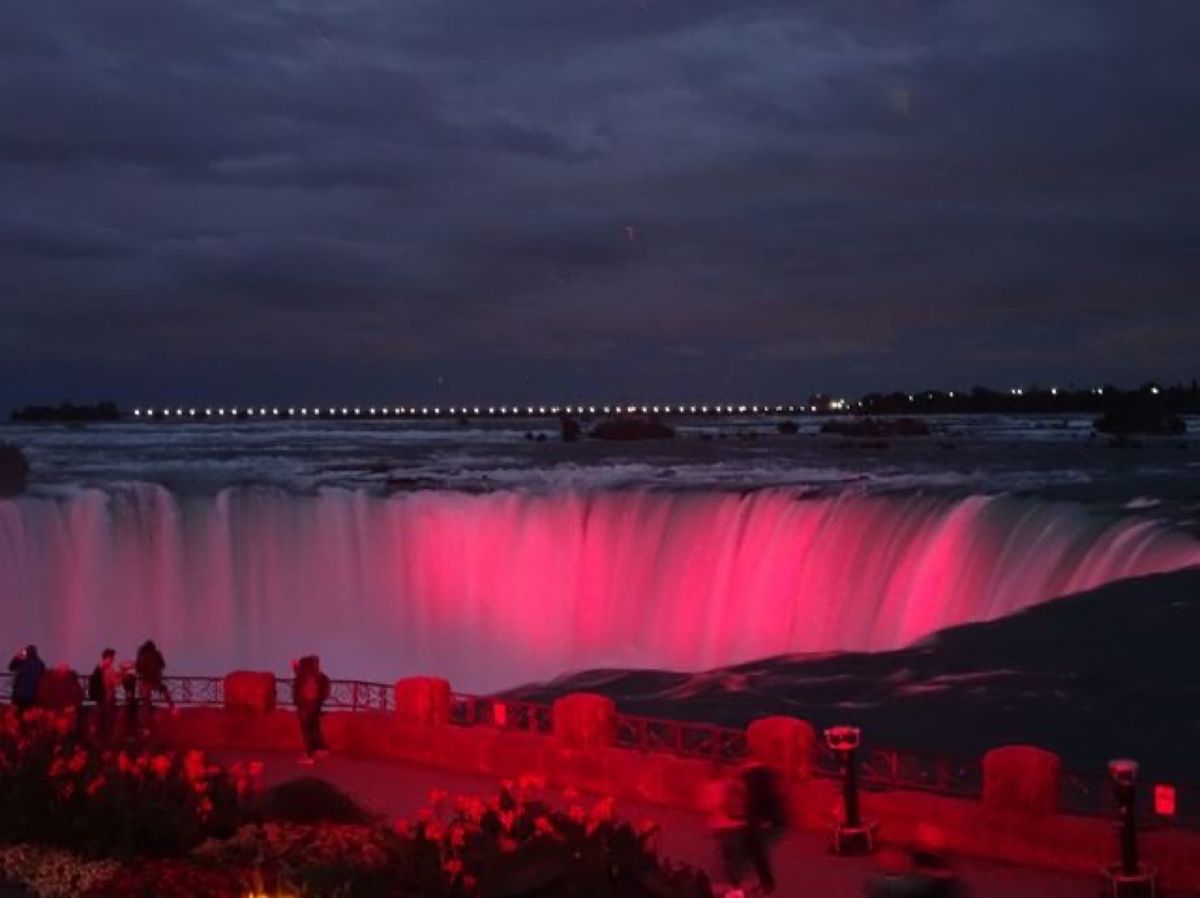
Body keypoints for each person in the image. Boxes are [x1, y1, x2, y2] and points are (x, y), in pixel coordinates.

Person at [700, 762, 748, 897]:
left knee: (726, 861)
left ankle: (734, 890)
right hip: (737, 827)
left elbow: (708, 806)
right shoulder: (729, 784)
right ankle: (736, 888)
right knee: (732, 860)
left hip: (723, 829)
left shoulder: (713, 787)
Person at [740, 759, 785, 895]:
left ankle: (765, 883)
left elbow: (758, 806)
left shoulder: (757, 787)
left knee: (756, 853)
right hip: (755, 823)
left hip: (757, 824)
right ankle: (761, 882)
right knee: (753, 853)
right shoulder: (762, 786)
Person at [291, 655, 330, 765]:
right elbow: (324, 692)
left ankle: (308, 755)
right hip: (315, 705)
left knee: (306, 730)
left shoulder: (306, 678)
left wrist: (301, 703)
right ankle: (320, 749)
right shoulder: (320, 677)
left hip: (307, 705)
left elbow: (302, 689)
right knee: (314, 727)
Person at [135, 639, 175, 725]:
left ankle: (143, 724)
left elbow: (137, 669)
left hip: (144, 681)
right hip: (155, 680)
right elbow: (162, 665)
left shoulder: (141, 655)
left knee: (146, 702)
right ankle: (172, 708)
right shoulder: (156, 654)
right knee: (165, 691)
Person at [88, 648, 122, 739]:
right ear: (108, 658)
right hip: (106, 697)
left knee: (102, 719)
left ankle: (101, 736)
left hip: (101, 697)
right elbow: (116, 684)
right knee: (107, 719)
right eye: (112, 658)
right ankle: (106, 737)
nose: (113, 660)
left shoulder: (98, 668)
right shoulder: (108, 670)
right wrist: (120, 675)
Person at [8, 644, 46, 716]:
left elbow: (11, 667)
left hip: (18, 693)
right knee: (28, 715)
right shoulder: (40, 664)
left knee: (17, 714)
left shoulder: (22, 661)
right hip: (32, 694)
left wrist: (17, 657)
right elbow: (42, 676)